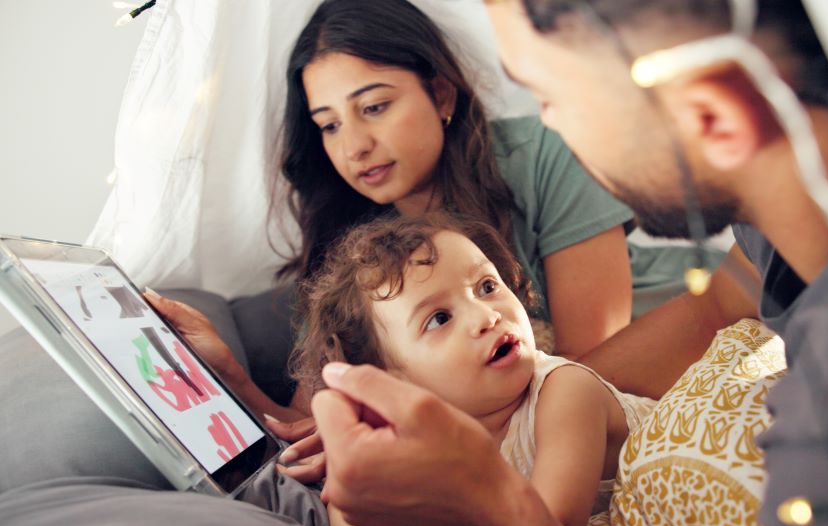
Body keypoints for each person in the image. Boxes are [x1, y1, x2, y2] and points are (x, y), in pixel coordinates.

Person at [305, 1, 828, 526]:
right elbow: (720, 302)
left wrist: (483, 495)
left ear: (712, 116)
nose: (547, 124)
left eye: (551, 96)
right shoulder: (793, 223)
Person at [150, 0, 719, 427]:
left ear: (441, 96)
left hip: (681, 349)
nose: (354, 147)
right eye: (330, 125)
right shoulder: (356, 252)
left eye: (375, 106)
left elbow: (584, 367)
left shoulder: (545, 154)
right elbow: (308, 428)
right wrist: (229, 374)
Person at [293, 213, 654, 526]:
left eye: (487, 286)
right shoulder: (421, 442)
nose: (486, 315)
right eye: (440, 319)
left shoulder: (567, 392)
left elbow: (552, 520)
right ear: (389, 381)